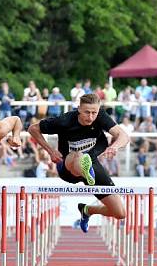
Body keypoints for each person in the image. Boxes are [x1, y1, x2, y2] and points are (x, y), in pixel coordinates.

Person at [28, 93, 129, 232]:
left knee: (120, 212)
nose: (91, 117)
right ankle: (85, 169)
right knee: (78, 156)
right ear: (78, 109)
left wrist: (114, 147)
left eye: (94, 113)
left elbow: (124, 136)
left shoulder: (100, 116)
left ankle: (87, 210)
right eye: (87, 112)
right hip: (68, 167)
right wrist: (51, 151)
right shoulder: (64, 120)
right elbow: (33, 129)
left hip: (92, 164)